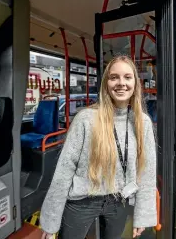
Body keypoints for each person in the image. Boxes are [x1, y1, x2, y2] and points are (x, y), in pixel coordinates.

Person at [40, 55, 157, 239]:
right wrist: (51, 219)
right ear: (106, 83)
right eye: (114, 77)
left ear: (135, 83)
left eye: (127, 77)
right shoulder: (86, 119)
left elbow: (147, 173)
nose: (121, 83)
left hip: (119, 202)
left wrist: (142, 216)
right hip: (82, 201)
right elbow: (64, 170)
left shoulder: (143, 122)